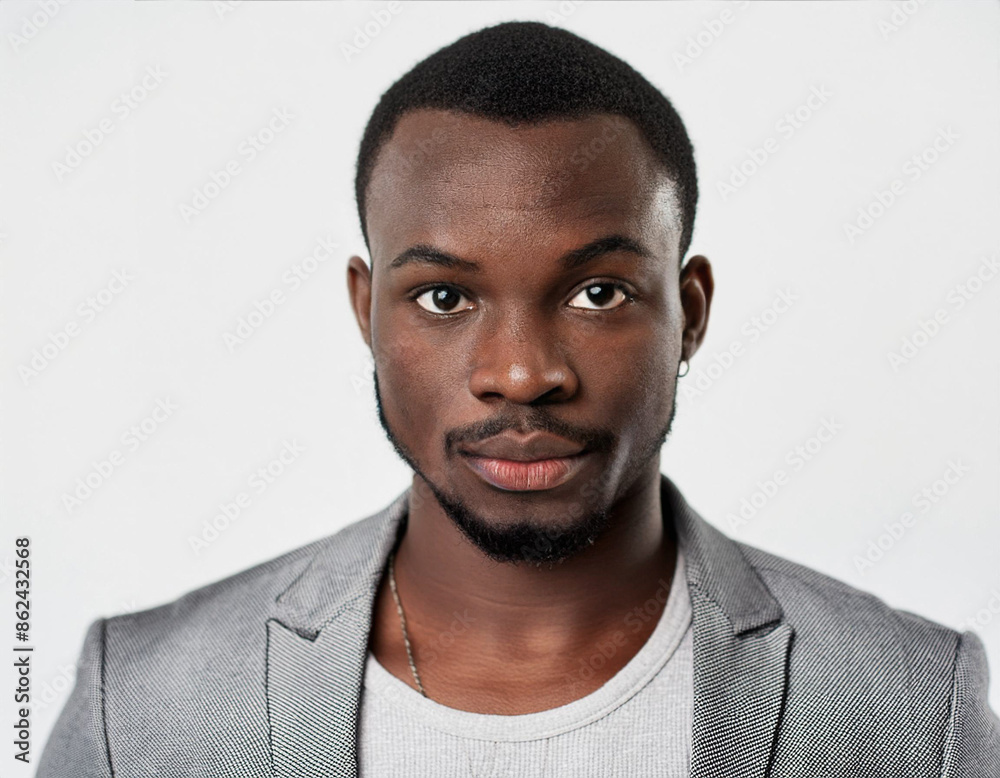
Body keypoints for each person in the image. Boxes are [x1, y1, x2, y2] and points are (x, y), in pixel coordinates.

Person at [39, 21, 998, 777]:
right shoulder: (148, 703)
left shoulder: (914, 710)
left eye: (599, 293)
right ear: (367, 313)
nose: (523, 372)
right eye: (445, 298)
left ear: (690, 313)